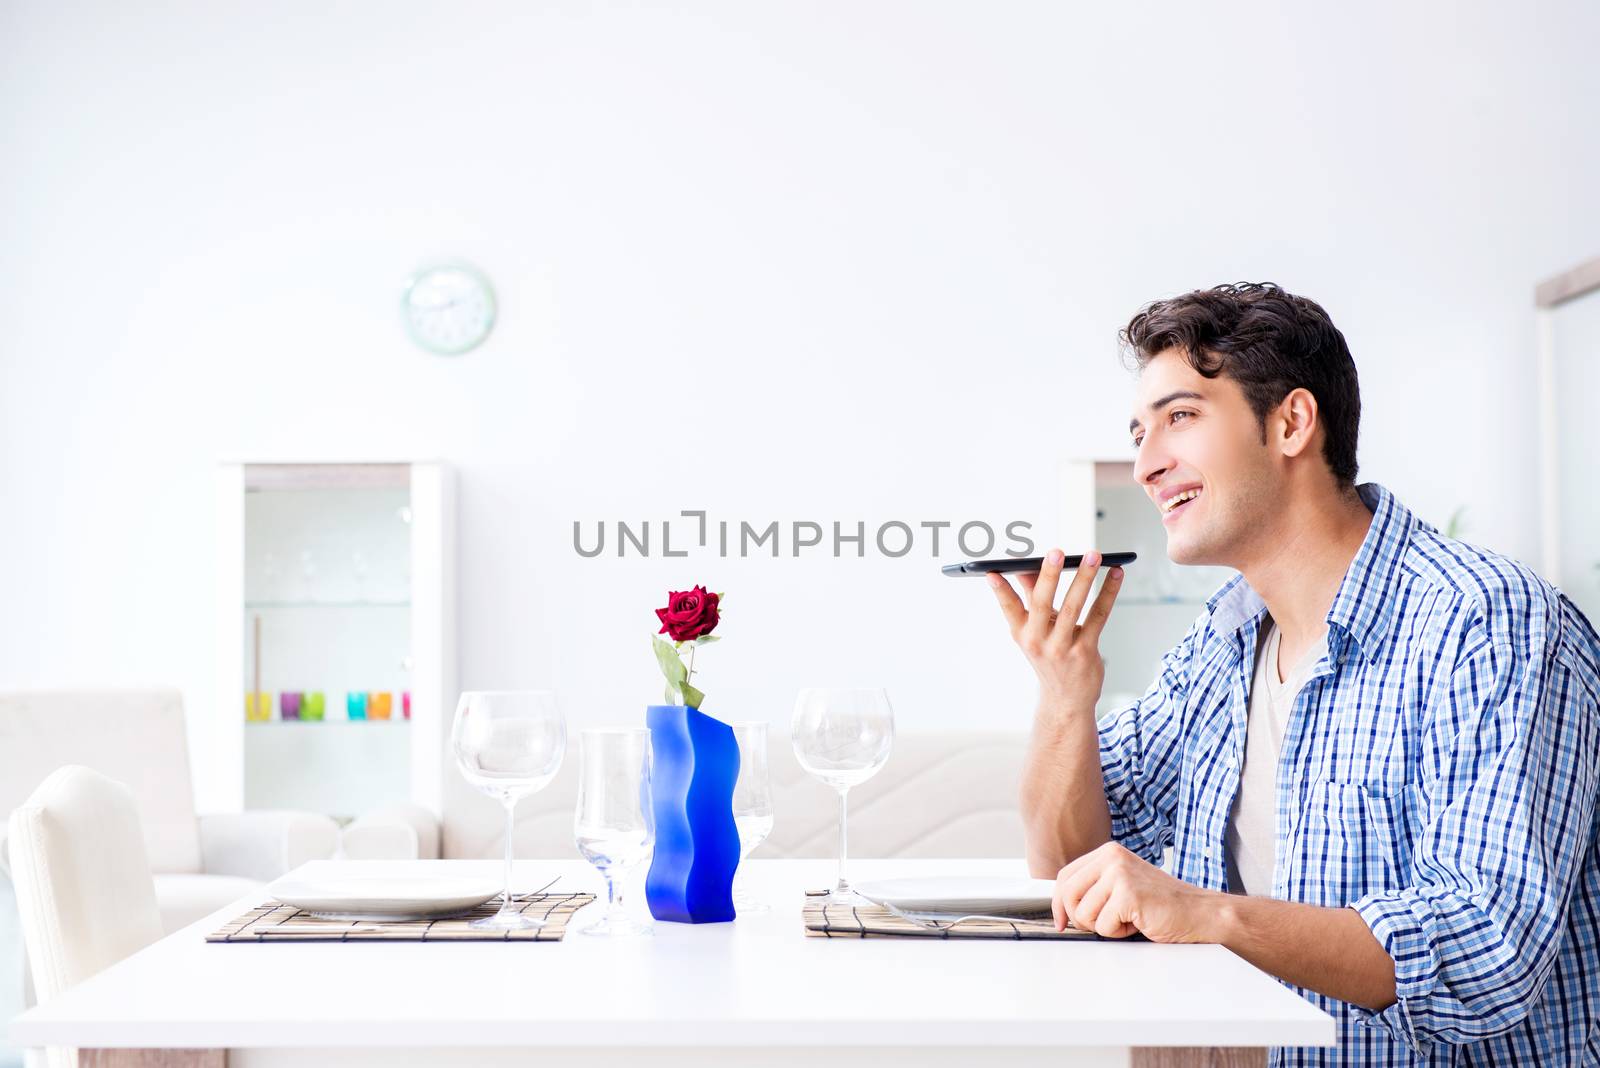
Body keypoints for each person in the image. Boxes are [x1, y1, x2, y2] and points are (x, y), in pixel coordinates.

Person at [988, 282, 1600, 1066]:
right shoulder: (1223, 641)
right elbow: (1069, 868)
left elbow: (1486, 952)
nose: (1145, 464)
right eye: (1139, 431)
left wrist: (1213, 916)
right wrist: (1064, 694)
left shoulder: (1488, 625)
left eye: (1179, 417)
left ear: (1291, 423)